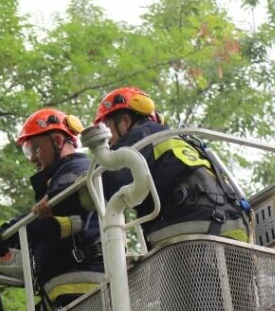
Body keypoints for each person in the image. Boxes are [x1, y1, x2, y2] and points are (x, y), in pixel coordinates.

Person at [95, 86, 249, 248]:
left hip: (194, 232)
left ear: (125, 122)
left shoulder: (141, 135)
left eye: (108, 129)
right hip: (235, 230)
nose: (110, 143)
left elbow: (110, 182)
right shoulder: (180, 140)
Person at [0, 108, 104, 310]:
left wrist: (8, 234)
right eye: (27, 151)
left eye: (35, 148)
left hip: (82, 283)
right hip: (69, 286)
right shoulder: (58, 180)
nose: (31, 158)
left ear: (57, 141)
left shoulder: (76, 171)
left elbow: (58, 223)